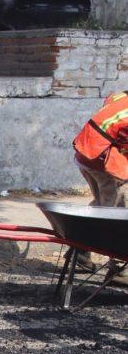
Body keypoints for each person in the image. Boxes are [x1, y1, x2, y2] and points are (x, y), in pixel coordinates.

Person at [72, 90, 128, 284]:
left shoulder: (120, 97)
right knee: (122, 209)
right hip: (100, 157)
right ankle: (120, 270)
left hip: (85, 154)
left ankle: (79, 248)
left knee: (103, 205)